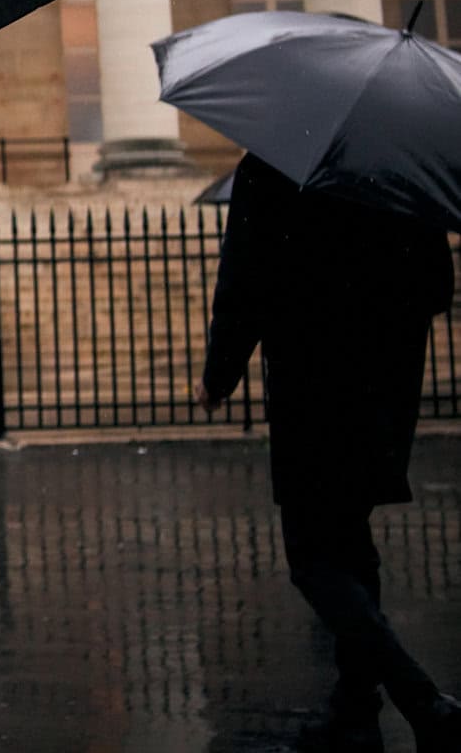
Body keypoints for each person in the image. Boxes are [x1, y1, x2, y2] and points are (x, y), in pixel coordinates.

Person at [200, 152, 459, 753]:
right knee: (350, 542)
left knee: (314, 555)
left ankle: (422, 700)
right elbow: (438, 287)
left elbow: (245, 279)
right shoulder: (399, 168)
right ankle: (355, 707)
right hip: (387, 384)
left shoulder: (271, 165)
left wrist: (219, 372)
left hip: (311, 383)